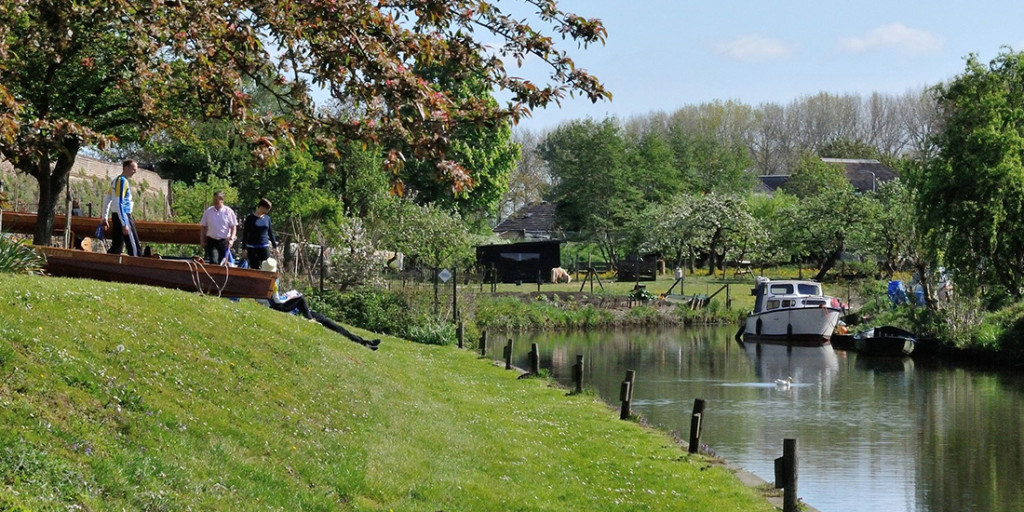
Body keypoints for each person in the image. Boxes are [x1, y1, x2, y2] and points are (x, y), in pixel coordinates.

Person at [260, 258, 380, 350]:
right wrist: (289, 296)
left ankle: (364, 342)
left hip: (284, 307)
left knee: (327, 321)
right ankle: (362, 342)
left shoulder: (260, 280)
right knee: (324, 319)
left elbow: (264, 300)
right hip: (283, 308)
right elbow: (277, 301)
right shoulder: (273, 282)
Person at [102, 160, 141, 256]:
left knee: (117, 246)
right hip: (124, 215)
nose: (135, 172)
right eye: (133, 169)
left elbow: (107, 199)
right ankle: (138, 267)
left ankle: (108, 266)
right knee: (134, 246)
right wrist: (124, 223)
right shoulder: (122, 181)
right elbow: (118, 202)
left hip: (116, 215)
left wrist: (105, 217)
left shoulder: (115, 181)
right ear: (126, 168)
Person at [199, 190, 238, 264]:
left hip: (224, 241)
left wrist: (231, 239)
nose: (215, 201)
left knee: (222, 263)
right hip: (212, 241)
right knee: (214, 260)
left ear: (222, 200)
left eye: (217, 199)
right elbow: (203, 227)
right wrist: (202, 241)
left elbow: (233, 227)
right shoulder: (208, 211)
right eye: (214, 199)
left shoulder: (228, 211)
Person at [241, 198, 279, 271]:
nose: (268, 211)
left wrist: (275, 246)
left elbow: (270, 233)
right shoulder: (250, 218)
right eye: (267, 209)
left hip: (264, 246)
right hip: (252, 247)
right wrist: (244, 249)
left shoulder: (267, 218)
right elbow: (245, 234)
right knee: (254, 269)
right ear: (261, 207)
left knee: (268, 267)